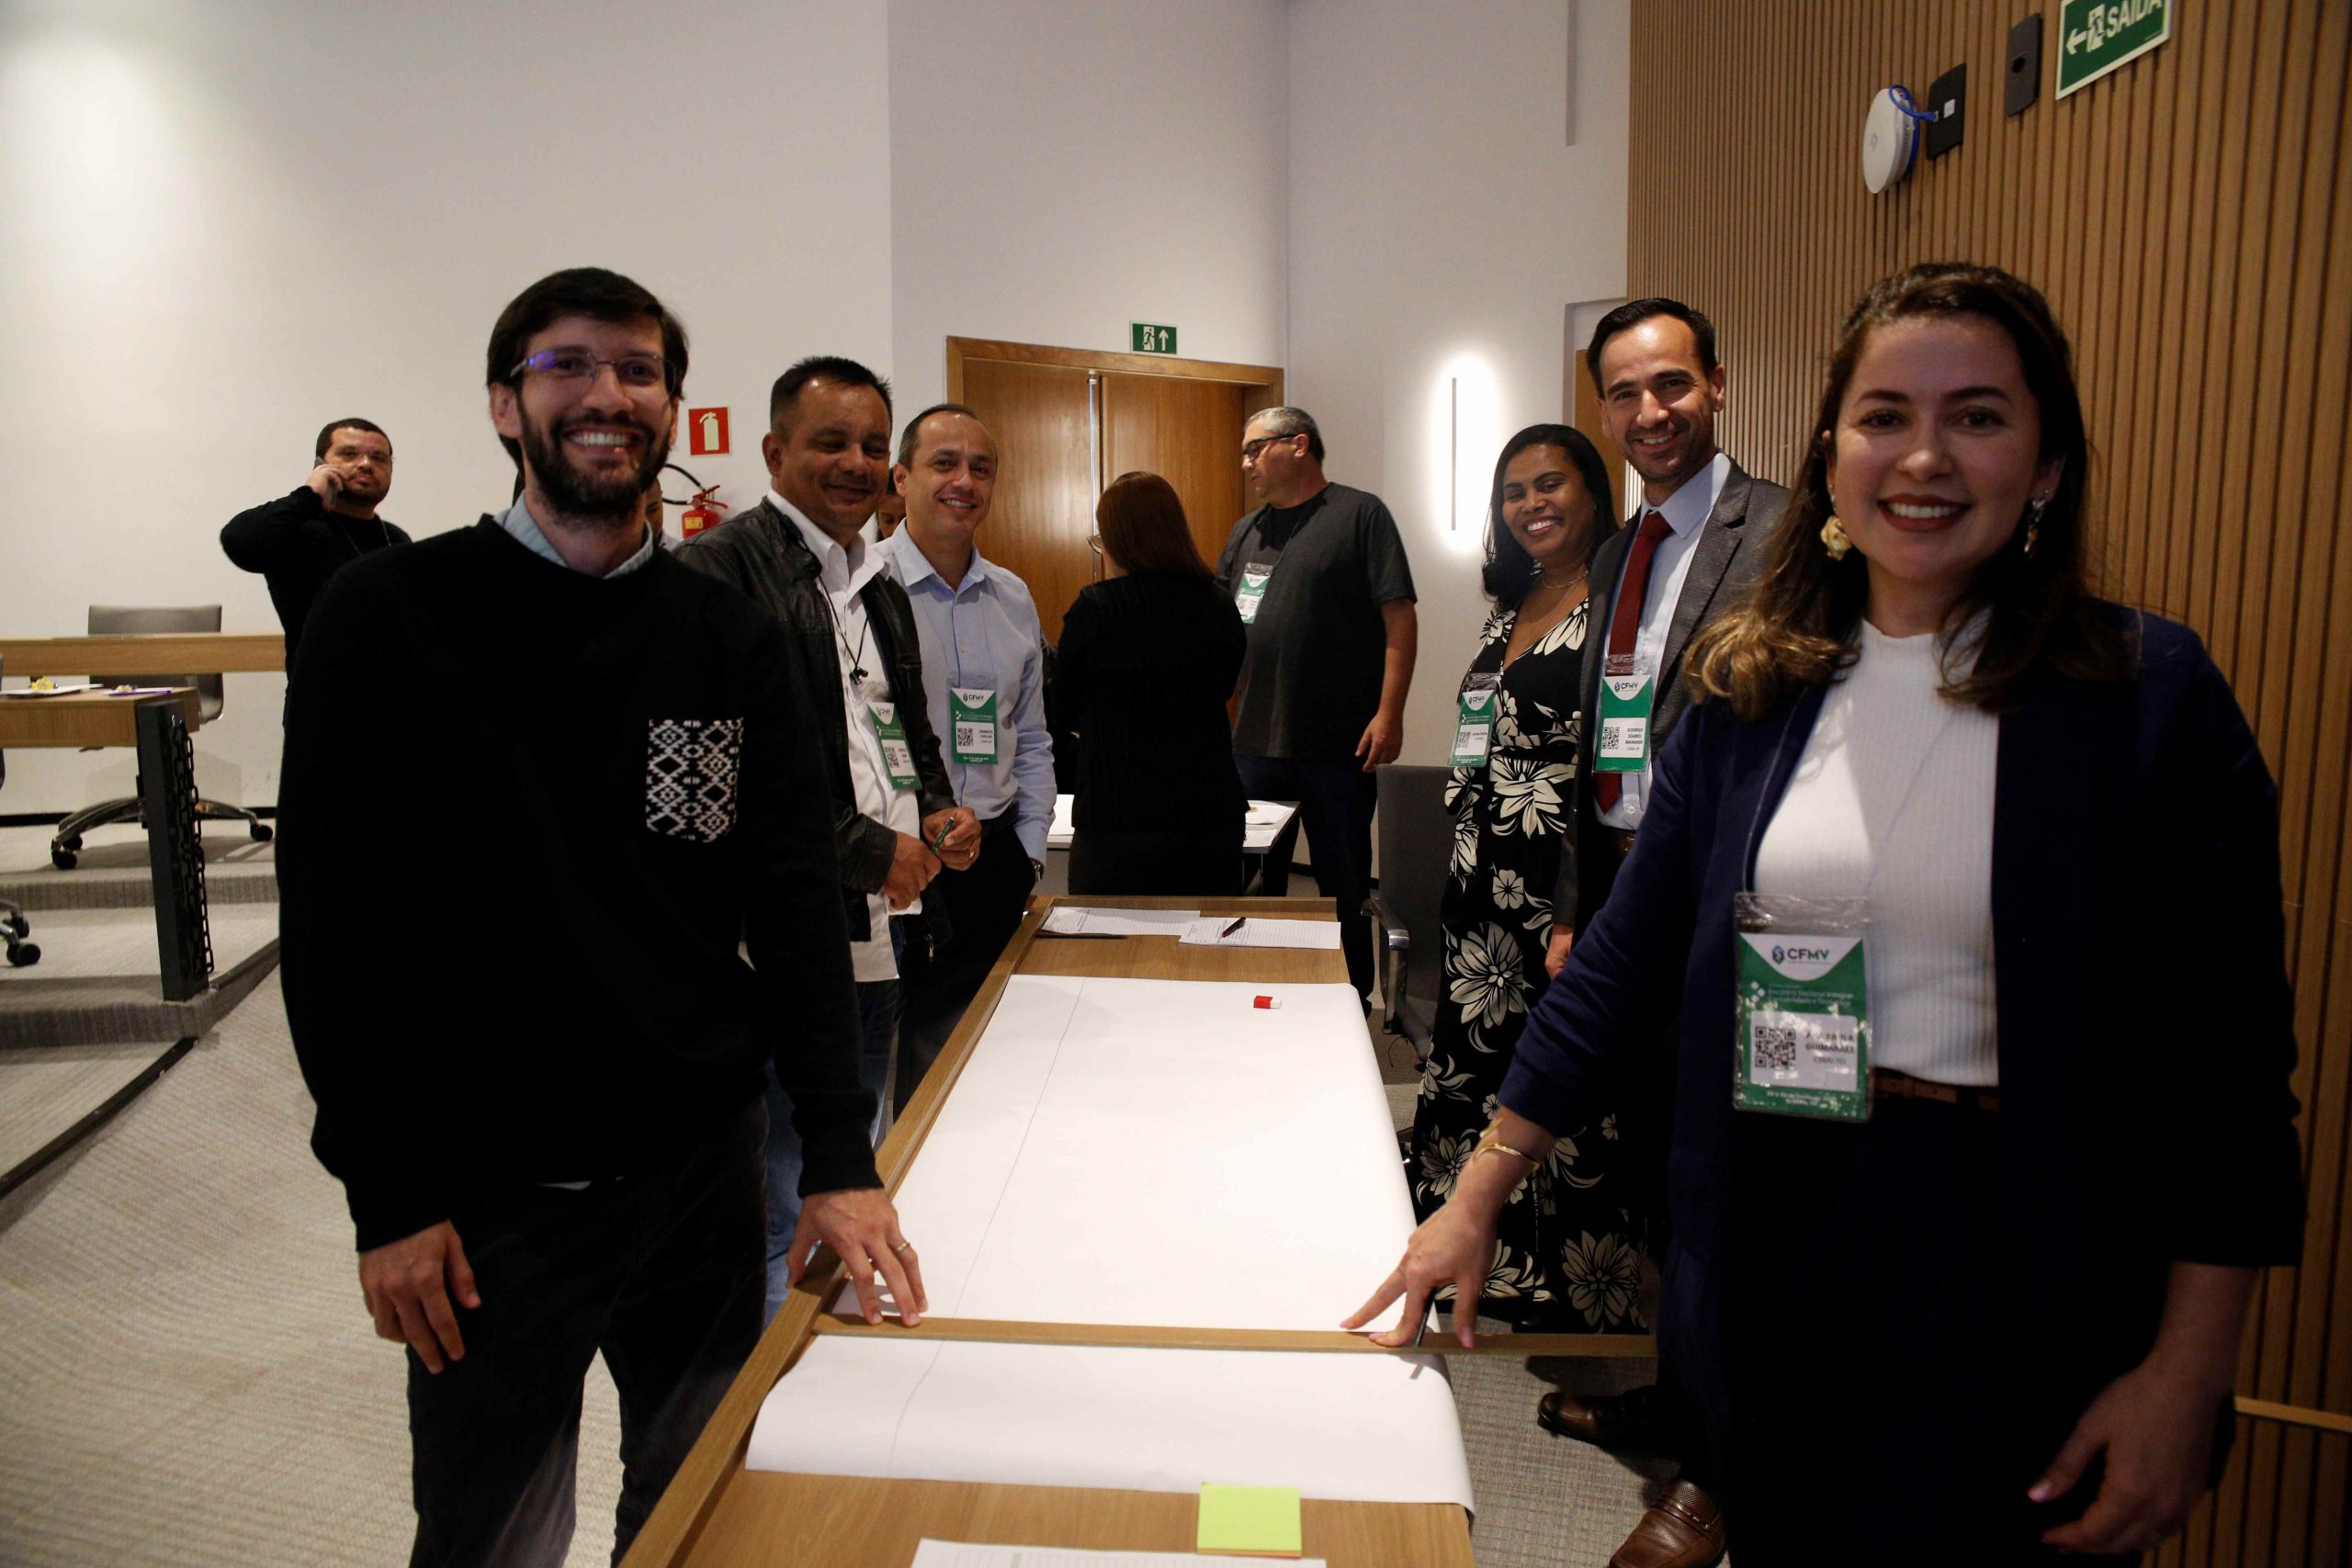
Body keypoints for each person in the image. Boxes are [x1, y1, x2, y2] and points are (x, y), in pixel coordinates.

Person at [1351, 263, 2304, 1566]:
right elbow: (1623, 956)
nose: (1924, 455)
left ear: (2049, 462)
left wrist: (2192, 1366)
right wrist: (1479, 1187)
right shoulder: (1756, 685)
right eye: (1884, 416)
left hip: (2027, 1254)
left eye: (1977, 415)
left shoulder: (2145, 694)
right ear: (1831, 453)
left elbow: (2231, 1073)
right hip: (1776, 1224)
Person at [278, 266, 924, 1568]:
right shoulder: (390, 616)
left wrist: (842, 1159)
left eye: (636, 369)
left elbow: (796, 907)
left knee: (693, 1506)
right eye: (566, 364)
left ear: (673, 411)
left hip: (696, 1171)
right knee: (493, 1531)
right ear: (505, 405)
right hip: (484, 1196)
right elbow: (333, 923)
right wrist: (385, 1192)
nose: (605, 393)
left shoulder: (725, 636)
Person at [1535, 297, 1792, 1560]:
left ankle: (1722, 1470)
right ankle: (1679, 1393)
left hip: (1740, 919)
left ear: (1719, 384)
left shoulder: (1789, 530)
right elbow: (1606, 749)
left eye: (1673, 384)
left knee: (1731, 1193)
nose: (1652, 412)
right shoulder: (1624, 544)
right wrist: (1584, 909)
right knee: (1656, 1176)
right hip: (1631, 907)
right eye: (1626, 393)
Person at [676, 355, 977, 1319]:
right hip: (782, 940)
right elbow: (737, 784)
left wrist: (937, 813)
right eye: (830, 442)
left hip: (883, 925)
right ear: (774, 452)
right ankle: (767, 1390)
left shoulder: (876, 579)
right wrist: (863, 849)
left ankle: (828, 1344)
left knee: (856, 1153)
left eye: (872, 446)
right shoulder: (717, 573)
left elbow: (909, 733)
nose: (856, 463)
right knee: (781, 1183)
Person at [1403, 424, 1622, 1329]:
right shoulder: (1517, 600)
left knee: (1557, 1072)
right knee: (1475, 1060)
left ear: (1591, 494)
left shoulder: (1613, 601)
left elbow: (1611, 760)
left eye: (1549, 484)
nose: (1531, 504)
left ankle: (1563, 1279)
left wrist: (1581, 903)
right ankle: (1467, 1246)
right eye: (1513, 491)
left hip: (1554, 882)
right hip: (1480, 878)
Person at [877, 403, 1053, 1111]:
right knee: (897, 1053)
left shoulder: (1011, 596)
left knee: (988, 1049)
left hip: (996, 857)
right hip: (900, 861)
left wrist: (1031, 848)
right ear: (902, 477)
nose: (964, 481)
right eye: (944, 463)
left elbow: (1033, 734)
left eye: (981, 467)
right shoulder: (862, 590)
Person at [1215, 406, 1416, 1001]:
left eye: (1256, 449)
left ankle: (1348, 1006)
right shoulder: (1246, 530)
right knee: (1250, 889)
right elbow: (1222, 624)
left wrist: (1390, 712)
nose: (1246, 461)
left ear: (1298, 444)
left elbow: (1399, 618)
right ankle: (1250, 997)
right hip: (1253, 744)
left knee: (1343, 888)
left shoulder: (1360, 515)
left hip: (1338, 746)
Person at [1057, 472, 1247, 895]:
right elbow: (1224, 686)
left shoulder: (1096, 609)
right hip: (1208, 817)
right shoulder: (1219, 606)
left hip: (1115, 819)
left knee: (1110, 953)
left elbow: (1060, 710)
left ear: (1118, 539)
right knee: (1204, 951)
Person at [220, 418, 410, 663]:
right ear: (320, 465)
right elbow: (239, 540)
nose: (366, 464)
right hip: (320, 693)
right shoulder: (298, 530)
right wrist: (307, 495)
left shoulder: (395, 538)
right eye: (349, 454)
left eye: (378, 458)